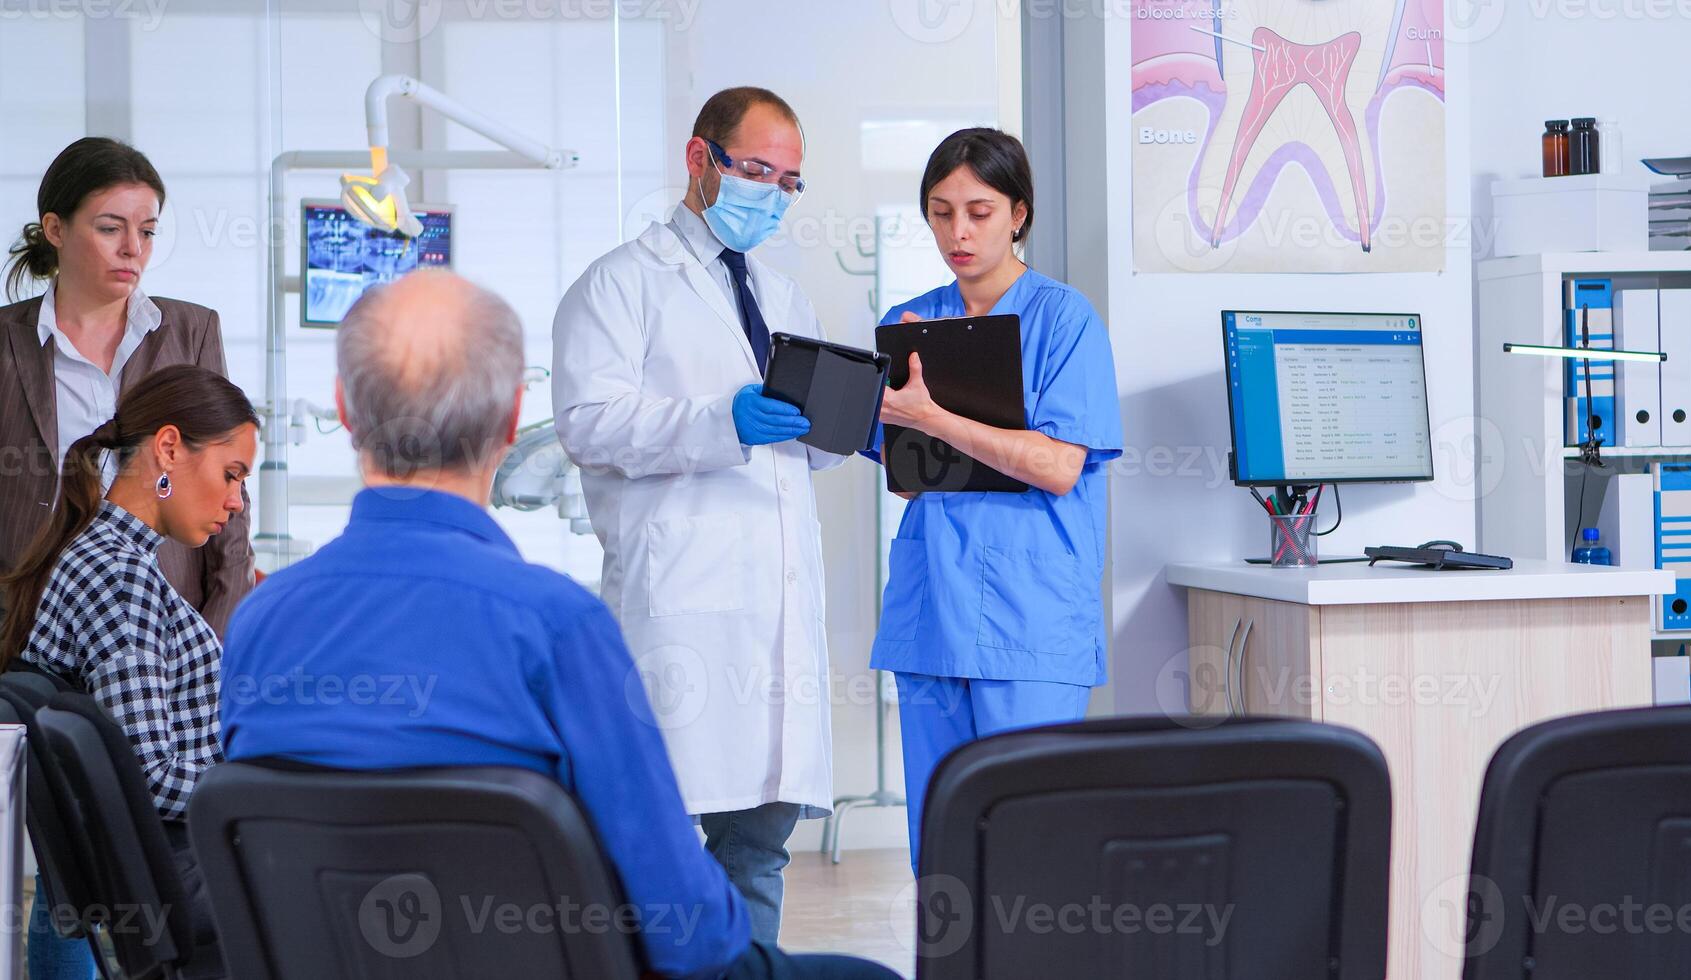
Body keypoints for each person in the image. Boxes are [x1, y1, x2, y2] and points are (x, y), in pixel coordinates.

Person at [221, 270, 894, 980]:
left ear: (343, 409)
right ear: (513, 421)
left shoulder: (259, 622)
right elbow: (687, 935)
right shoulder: (556, 628)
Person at [551, 87, 842, 942]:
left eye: (790, 181)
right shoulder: (618, 284)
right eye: (756, 169)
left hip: (777, 615)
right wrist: (723, 421)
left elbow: (801, 457)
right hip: (681, 610)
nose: (772, 193)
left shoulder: (788, 302)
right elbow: (587, 425)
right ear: (699, 158)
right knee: (658, 851)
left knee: (760, 848)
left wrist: (840, 429)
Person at [869, 128, 1124, 871]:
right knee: (941, 853)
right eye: (941, 211)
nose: (959, 231)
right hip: (933, 613)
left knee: (1029, 851)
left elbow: (1056, 465)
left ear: (1018, 213)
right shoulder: (912, 320)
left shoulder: (1065, 319)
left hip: (1031, 618)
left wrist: (935, 417)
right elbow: (907, 472)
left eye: (979, 211)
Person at [0, 363, 257, 973]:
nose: (236, 501)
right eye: (231, 474)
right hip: (193, 873)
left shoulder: (102, 557)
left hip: (183, 868)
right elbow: (150, 774)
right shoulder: (121, 578)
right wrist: (261, 786)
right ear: (168, 449)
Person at [0, 137, 254, 636]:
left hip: (169, 632)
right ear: (55, 228)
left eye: (148, 231)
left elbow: (230, 483)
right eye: (109, 228)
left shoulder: (191, 332)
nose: (132, 249)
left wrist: (217, 640)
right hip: (32, 635)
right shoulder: (7, 343)